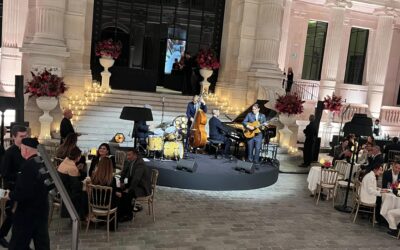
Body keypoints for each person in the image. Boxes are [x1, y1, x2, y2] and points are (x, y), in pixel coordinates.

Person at [5, 138, 50, 250]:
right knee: (42, 243)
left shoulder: (28, 166)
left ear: (25, 150)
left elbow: (23, 193)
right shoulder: (43, 162)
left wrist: (10, 195)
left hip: (27, 213)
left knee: (17, 245)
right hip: (42, 209)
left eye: (21, 149)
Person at [0, 125, 28, 248]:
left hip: (23, 187)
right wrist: (19, 175)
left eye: (25, 136)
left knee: (18, 216)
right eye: (21, 136)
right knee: (13, 215)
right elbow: (5, 174)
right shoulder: (9, 153)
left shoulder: (26, 150)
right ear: (13, 137)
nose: (24, 138)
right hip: (12, 188)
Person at [118, 149, 151, 222]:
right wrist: (121, 181)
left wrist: (129, 189)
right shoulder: (130, 161)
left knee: (128, 194)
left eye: (129, 155)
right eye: (127, 155)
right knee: (118, 189)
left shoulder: (140, 163)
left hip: (142, 187)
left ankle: (128, 215)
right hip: (134, 184)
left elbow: (136, 179)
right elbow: (124, 172)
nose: (127, 157)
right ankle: (120, 212)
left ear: (135, 155)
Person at [90, 157, 120, 230]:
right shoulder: (112, 180)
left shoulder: (94, 177)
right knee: (118, 198)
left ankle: (101, 220)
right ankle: (112, 225)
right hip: (107, 205)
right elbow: (114, 194)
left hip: (94, 204)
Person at [57, 147, 86, 219]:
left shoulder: (64, 162)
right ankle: (83, 216)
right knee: (86, 194)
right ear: (78, 157)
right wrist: (84, 182)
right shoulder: (72, 167)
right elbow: (76, 187)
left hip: (61, 190)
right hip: (68, 193)